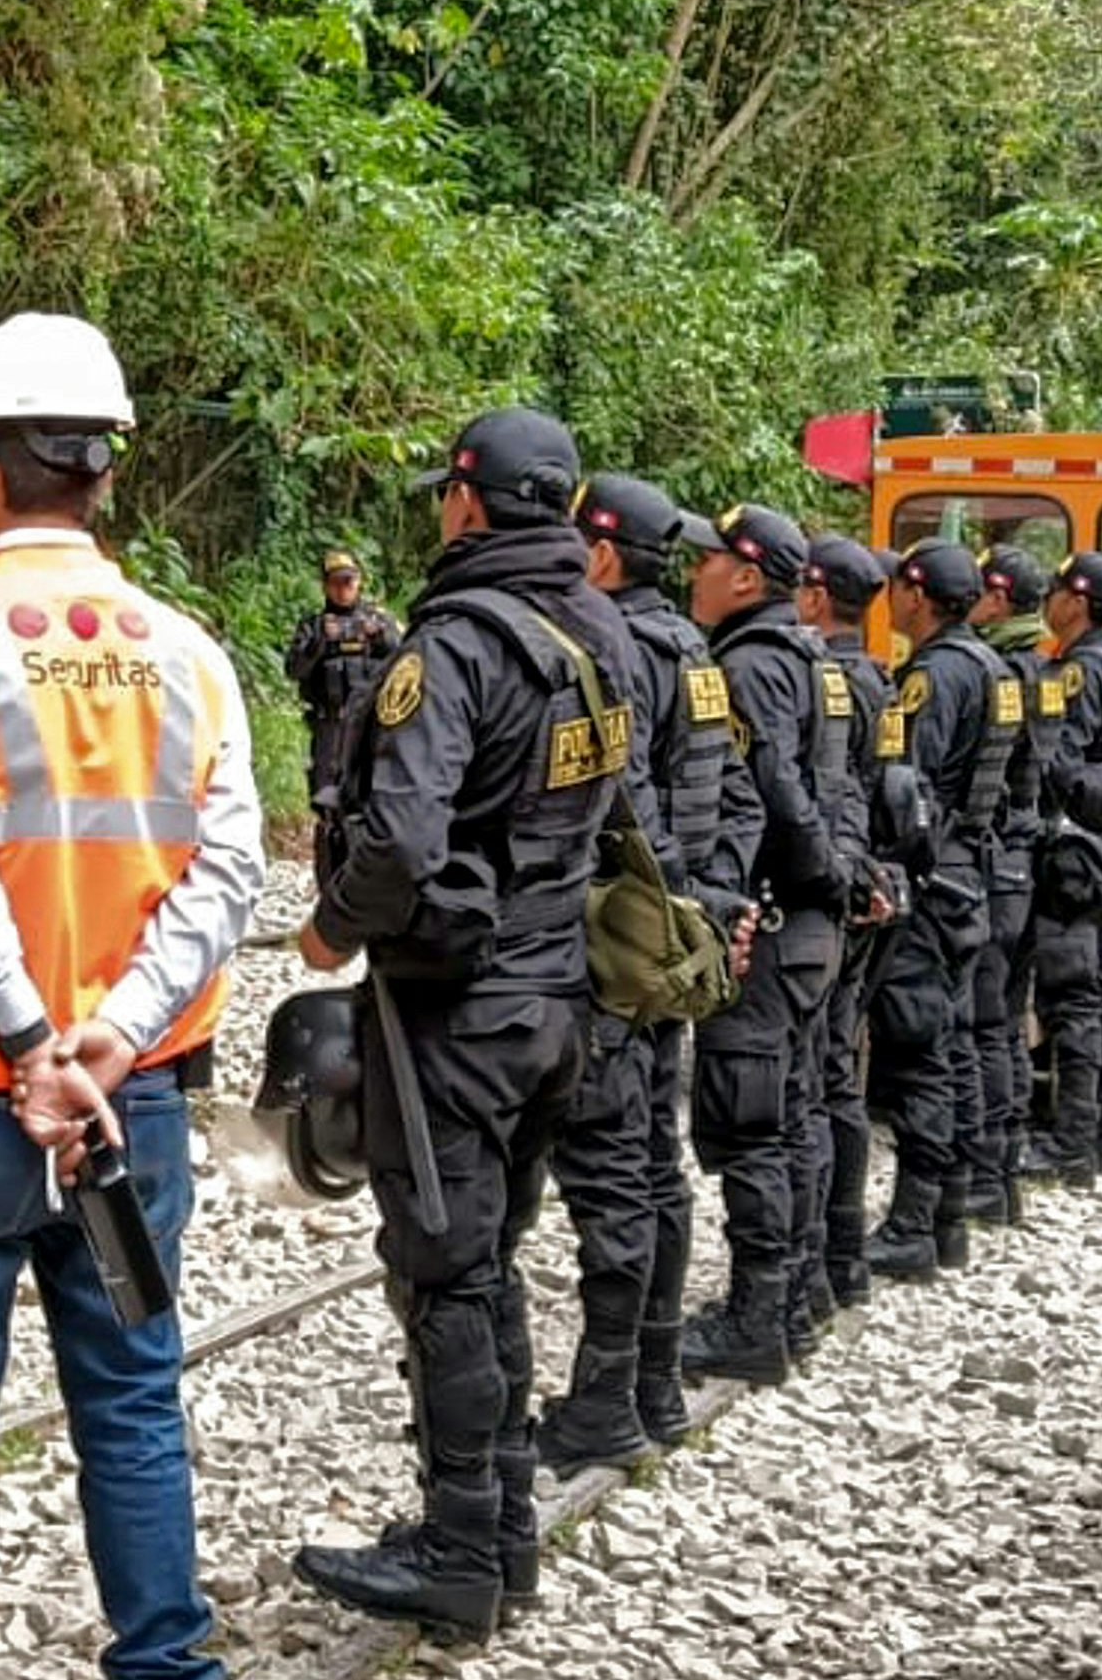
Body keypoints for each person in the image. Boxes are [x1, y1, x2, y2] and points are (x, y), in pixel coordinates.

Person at [0, 311, 263, 1680]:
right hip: (131, 1104)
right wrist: (115, 1035)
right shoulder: (191, 651)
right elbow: (232, 868)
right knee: (133, 1401)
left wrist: (34, 1043)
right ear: (104, 471)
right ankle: (166, 1660)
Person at [292, 406, 639, 1638]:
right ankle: (503, 1533)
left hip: (455, 1012)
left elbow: (399, 838)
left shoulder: (450, 645)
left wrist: (329, 930)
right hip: (557, 1001)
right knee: (490, 1261)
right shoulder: (600, 626)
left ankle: (455, 1553)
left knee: (443, 1272)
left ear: (465, 498)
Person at [535, 473, 745, 1474]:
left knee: (614, 1172)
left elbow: (625, 804)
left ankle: (606, 1399)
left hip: (623, 950)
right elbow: (730, 790)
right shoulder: (695, 651)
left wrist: (648, 907)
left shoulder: (613, 649)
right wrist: (708, 908)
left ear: (603, 554)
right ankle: (653, 1383)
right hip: (671, 946)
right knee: (655, 1165)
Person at [672, 502, 856, 1383]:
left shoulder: (745, 667)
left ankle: (758, 1318)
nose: (693, 573)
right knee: (799, 1110)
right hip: (814, 925)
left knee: (751, 1124)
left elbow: (774, 795)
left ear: (746, 577)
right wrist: (843, 874)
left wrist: (805, 875)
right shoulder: (817, 661)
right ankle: (798, 1296)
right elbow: (844, 787)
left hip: (774, 922)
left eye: (708, 561)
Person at [864, 539, 1014, 1277]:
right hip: (971, 876)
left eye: (897, 586)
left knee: (919, 1053)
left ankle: (914, 1225)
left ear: (917, 595)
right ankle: (949, 1214)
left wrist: (893, 871)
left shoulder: (934, 675)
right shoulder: (993, 667)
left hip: (932, 883)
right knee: (952, 1047)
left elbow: (907, 790)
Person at [797, 532, 897, 1315]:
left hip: (836, 884)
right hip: (869, 880)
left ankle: (824, 1261)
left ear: (815, 595)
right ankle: (844, 1255)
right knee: (840, 1072)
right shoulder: (879, 683)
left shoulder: (825, 680)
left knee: (819, 1076)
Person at [1029, 552, 1102, 1187]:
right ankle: (1101, 1140)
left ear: (1075, 601)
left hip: (1071, 854)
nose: (1047, 602)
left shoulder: (1081, 670)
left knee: (1072, 1002)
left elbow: (1059, 763)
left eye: (1054, 591)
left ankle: (1070, 1146)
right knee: (1100, 1000)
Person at [967, 546, 1055, 1224]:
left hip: (998, 861)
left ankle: (988, 1174)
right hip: (1027, 857)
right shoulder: (1042, 669)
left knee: (985, 1023)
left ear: (997, 599)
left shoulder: (998, 671)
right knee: (1006, 1020)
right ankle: (1005, 1167)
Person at [287, 550, 403, 812]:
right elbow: (294, 670)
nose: (343, 589)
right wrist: (320, 643)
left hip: (372, 722)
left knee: (373, 790)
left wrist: (379, 638)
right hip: (330, 723)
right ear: (325, 586)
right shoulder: (313, 626)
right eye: (336, 583)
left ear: (359, 581)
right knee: (325, 794)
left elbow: (407, 657)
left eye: (348, 582)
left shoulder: (379, 620)